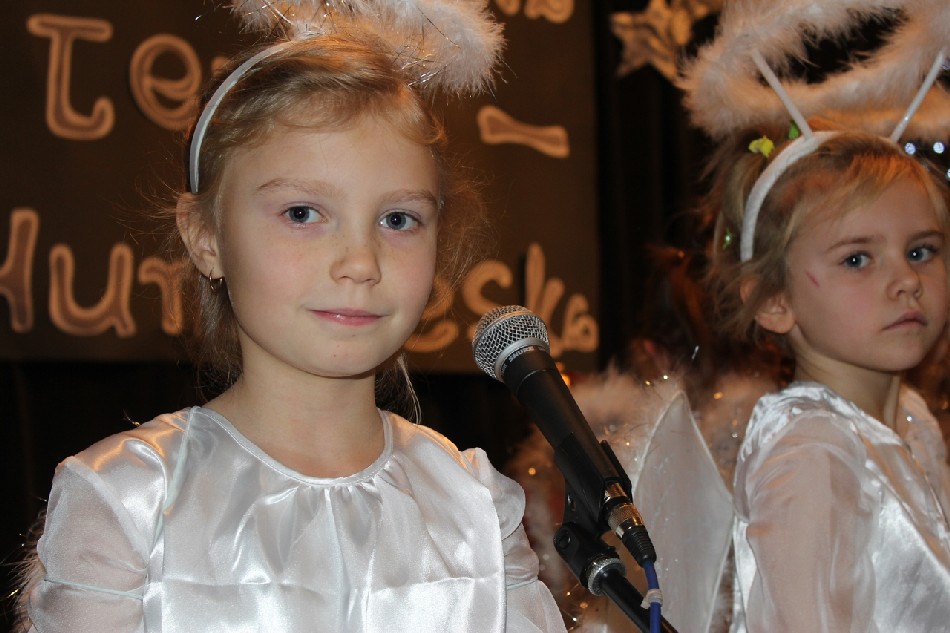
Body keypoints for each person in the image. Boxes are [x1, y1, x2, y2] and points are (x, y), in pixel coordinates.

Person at [13, 5, 567, 631]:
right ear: (205, 237)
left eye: (398, 219)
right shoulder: (130, 499)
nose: (360, 261)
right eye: (302, 213)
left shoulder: (476, 507)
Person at [703, 117, 950, 631]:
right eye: (857, 259)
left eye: (920, 251)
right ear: (774, 301)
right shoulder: (811, 451)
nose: (907, 279)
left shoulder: (911, 420)